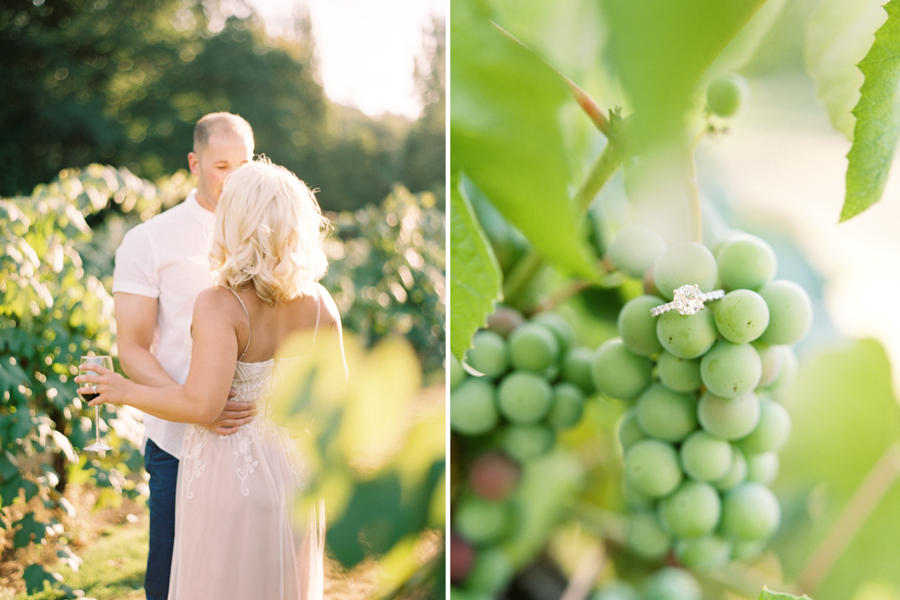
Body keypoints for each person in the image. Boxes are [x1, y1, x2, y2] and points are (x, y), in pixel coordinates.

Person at [78, 158, 344, 599]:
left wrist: (121, 390)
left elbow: (202, 406)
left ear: (234, 222)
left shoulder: (221, 304)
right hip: (296, 477)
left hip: (229, 478)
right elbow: (340, 398)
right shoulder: (320, 302)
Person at [111, 112, 258, 600]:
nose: (234, 179)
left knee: (242, 577)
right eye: (221, 166)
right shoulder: (151, 240)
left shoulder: (268, 233)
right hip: (178, 439)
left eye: (244, 165)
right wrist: (196, 405)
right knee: (173, 578)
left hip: (254, 441)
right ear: (195, 163)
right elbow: (132, 346)